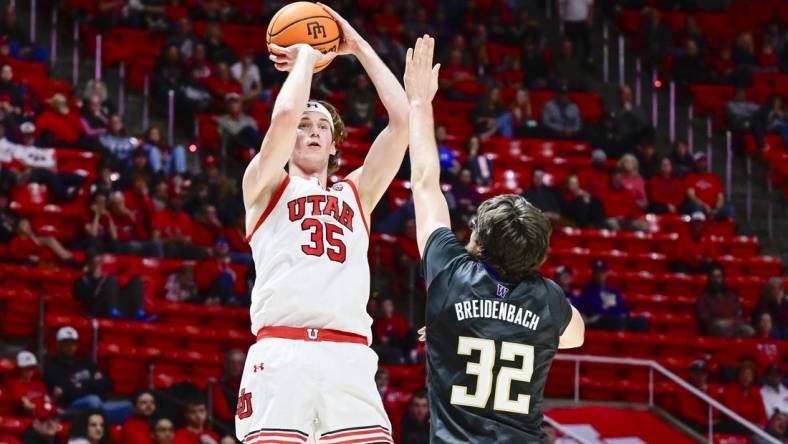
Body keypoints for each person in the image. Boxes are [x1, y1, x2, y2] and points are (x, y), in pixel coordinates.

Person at [235, 5, 410, 443]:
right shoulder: (263, 185)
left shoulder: (357, 194)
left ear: (334, 145)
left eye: (322, 126)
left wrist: (359, 46)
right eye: (304, 124)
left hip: (347, 354)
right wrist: (307, 57)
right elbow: (283, 116)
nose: (310, 130)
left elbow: (403, 121)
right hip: (282, 351)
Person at [404, 35, 584, 442]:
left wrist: (420, 102)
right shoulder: (548, 298)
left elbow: (425, 184)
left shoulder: (451, 274)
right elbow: (576, 335)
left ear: (479, 243)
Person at [43, 326, 132, 425]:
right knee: (93, 400)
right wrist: (93, 383)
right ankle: (100, 422)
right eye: (66, 343)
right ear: (58, 345)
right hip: (70, 408)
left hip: (99, 405)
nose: (70, 346)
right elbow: (68, 393)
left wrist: (80, 384)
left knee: (129, 406)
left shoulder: (86, 363)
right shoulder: (52, 367)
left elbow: (107, 384)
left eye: (73, 343)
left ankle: (96, 421)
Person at [74, 250, 146, 319]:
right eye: (95, 262)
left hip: (117, 308)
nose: (98, 265)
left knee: (136, 281)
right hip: (100, 309)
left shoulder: (105, 278)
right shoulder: (81, 281)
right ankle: (112, 310)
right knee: (111, 280)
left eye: (99, 262)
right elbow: (83, 300)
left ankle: (138, 312)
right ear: (88, 264)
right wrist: (95, 280)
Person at [580, 260, 649, 332]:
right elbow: (593, 311)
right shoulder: (587, 291)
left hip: (617, 319)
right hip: (600, 321)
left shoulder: (613, 291)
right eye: (597, 272)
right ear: (593, 273)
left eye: (602, 272)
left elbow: (624, 310)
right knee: (612, 320)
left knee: (642, 321)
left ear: (606, 273)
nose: (600, 275)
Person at [696, 264, 755, 337]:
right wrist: (723, 321)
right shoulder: (703, 298)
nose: (716, 280)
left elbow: (739, 313)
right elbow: (705, 319)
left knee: (749, 330)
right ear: (709, 279)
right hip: (717, 327)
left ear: (723, 278)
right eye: (713, 277)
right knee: (720, 326)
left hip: (734, 325)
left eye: (719, 277)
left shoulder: (731, 296)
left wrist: (733, 322)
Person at [721, 361, 767, 433]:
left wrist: (761, 424)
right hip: (737, 427)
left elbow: (762, 414)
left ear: (752, 377)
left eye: (749, 375)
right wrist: (752, 426)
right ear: (738, 375)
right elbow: (731, 415)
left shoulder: (755, 391)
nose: (746, 377)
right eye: (743, 374)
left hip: (755, 427)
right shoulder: (731, 390)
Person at [676, 360, 720, 432]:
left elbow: (715, 414)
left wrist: (706, 393)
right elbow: (686, 413)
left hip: (707, 423)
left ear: (707, 375)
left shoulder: (711, 389)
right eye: (696, 373)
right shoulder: (683, 388)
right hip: (692, 423)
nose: (699, 376)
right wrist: (706, 422)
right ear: (690, 374)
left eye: (702, 373)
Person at [8, 351, 50, 416]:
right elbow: (27, 406)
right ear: (20, 368)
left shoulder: (39, 384)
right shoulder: (16, 385)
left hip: (47, 415)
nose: (30, 370)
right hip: (30, 417)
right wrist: (42, 407)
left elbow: (48, 401)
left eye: (32, 367)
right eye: (26, 368)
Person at [212, 349, 245, 428]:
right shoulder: (218, 386)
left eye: (239, 363)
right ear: (226, 364)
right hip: (226, 427)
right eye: (232, 363)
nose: (235, 366)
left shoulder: (249, 385)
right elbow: (223, 414)